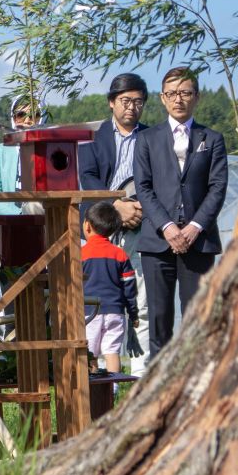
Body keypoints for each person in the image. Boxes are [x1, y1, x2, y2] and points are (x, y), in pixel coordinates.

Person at [134, 66, 228, 357]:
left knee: (196, 319)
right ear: (162, 99)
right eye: (172, 94)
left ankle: (195, 387)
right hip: (157, 242)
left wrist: (194, 227)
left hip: (198, 242)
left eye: (185, 93)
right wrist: (168, 227)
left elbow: (218, 188)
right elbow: (143, 188)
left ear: (196, 97)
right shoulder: (147, 139)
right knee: (159, 319)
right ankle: (160, 389)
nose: (178, 99)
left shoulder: (211, 139)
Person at [78, 72, 151, 371]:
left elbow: (161, 181)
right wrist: (115, 207)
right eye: (125, 100)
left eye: (138, 101)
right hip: (99, 227)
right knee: (94, 300)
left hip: (140, 224)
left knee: (140, 298)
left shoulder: (153, 136)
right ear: (111, 102)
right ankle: (92, 372)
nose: (131, 107)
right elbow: (88, 178)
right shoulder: (92, 138)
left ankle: (140, 374)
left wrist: (136, 210)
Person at [80, 200, 138, 374]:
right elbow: (129, 287)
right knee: (112, 351)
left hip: (89, 312)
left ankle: (93, 389)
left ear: (87, 226)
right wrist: (133, 313)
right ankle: (113, 387)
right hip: (115, 311)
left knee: (90, 354)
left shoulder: (80, 254)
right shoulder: (120, 254)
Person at [0, 98, 37, 216]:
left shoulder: (49, 150)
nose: (28, 120)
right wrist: (20, 214)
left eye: (34, 115)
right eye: (21, 115)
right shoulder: (0, 150)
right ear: (13, 118)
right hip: (6, 219)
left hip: (41, 217)